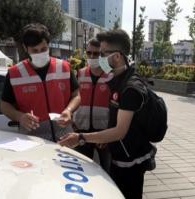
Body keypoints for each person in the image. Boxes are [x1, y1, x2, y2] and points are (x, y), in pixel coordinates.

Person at [58, 29, 156, 199]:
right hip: (120, 154)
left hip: (130, 161)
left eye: (102, 54)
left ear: (117, 57)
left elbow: (119, 131)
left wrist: (81, 137)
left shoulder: (131, 87)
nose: (97, 59)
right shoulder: (118, 80)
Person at [0, 23, 81, 141]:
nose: (39, 53)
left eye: (43, 49)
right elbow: (4, 105)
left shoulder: (64, 67)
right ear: (25, 48)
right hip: (32, 138)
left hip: (64, 136)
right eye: (35, 50)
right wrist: (20, 117)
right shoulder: (15, 73)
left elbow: (77, 95)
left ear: (48, 45)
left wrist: (69, 110)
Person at [72, 38, 112, 172]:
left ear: (103, 55)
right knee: (82, 170)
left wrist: (109, 133)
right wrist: (72, 123)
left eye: (97, 54)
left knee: (107, 171)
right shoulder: (80, 73)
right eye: (89, 53)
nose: (92, 56)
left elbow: (116, 108)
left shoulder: (111, 76)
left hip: (104, 133)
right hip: (81, 130)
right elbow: (71, 99)